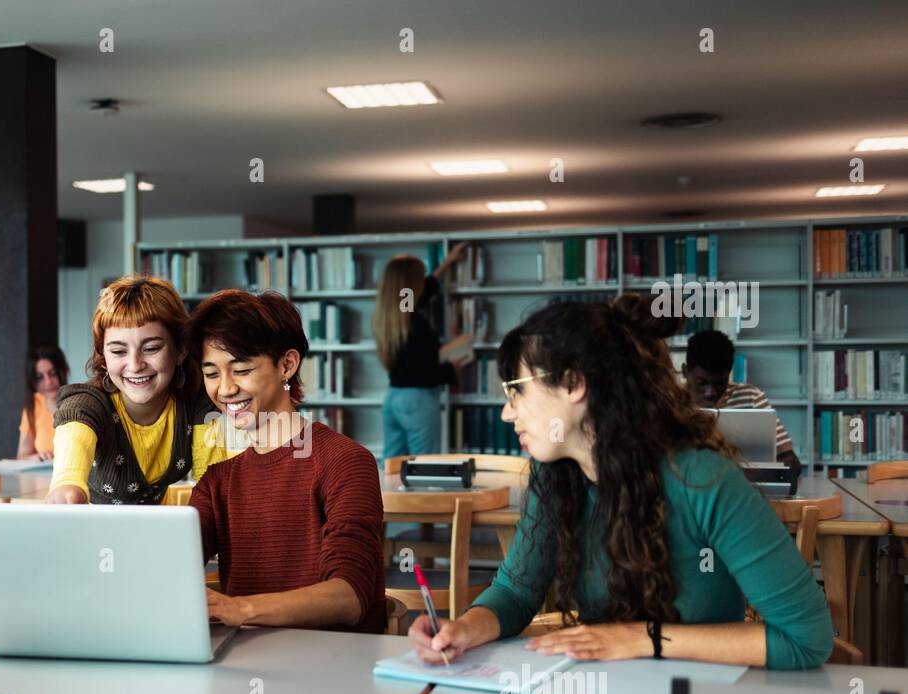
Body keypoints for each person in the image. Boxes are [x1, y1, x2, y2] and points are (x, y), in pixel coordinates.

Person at [410, 294, 832, 669]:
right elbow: (516, 593)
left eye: (516, 390)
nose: (506, 413)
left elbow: (807, 638)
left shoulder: (702, 478)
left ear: (574, 384)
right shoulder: (556, 473)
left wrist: (642, 638)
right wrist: (464, 629)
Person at [189, 290, 386, 633]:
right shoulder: (216, 481)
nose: (224, 390)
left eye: (241, 369)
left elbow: (350, 597)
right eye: (211, 373)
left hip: (332, 666)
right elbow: (172, 568)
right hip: (247, 666)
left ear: (287, 365)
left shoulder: (345, 461)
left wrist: (239, 608)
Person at [45, 276, 231, 504]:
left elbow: (210, 490)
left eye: (151, 348)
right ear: (103, 356)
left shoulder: (199, 398)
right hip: (93, 533)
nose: (135, 365)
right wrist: (66, 487)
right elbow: (68, 471)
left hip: (154, 529)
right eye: (118, 351)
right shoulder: (86, 403)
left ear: (181, 349)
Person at [372, 243, 475, 456]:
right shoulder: (415, 325)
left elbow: (426, 290)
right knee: (423, 465)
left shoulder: (391, 318)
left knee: (392, 466)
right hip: (418, 400)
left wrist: (447, 263)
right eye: (420, 277)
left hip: (393, 398)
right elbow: (423, 373)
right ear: (411, 284)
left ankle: (384, 492)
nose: (423, 282)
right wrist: (451, 369)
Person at [683, 329, 802, 477]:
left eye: (720, 383)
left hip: (741, 486)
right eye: (701, 383)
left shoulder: (751, 398)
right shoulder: (671, 402)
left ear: (729, 374)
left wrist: (758, 471)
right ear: (685, 372)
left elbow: (791, 462)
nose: (710, 392)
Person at [16, 345, 68, 460]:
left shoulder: (80, 402)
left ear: (63, 371)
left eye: (53, 373)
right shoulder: (34, 405)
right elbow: (22, 456)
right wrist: (37, 457)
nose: (48, 382)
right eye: (39, 377)